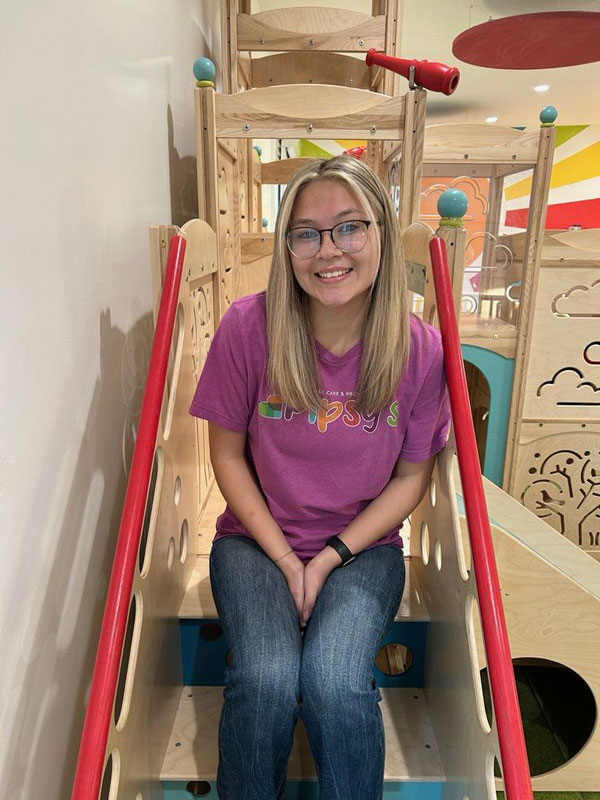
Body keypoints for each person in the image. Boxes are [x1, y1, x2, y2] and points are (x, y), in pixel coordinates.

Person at [189, 155, 451, 800]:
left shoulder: (419, 348)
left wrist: (330, 558)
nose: (327, 250)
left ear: (382, 234)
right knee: (269, 678)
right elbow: (226, 457)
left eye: (349, 227)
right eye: (305, 232)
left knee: (334, 680)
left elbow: (411, 478)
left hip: (363, 547)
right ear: (287, 247)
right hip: (254, 542)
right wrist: (286, 558)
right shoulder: (249, 327)